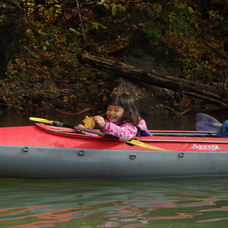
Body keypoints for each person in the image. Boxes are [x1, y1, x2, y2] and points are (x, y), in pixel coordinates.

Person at [77, 93, 152, 139]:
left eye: (116, 110)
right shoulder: (112, 125)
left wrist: (105, 125)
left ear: (127, 112)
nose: (111, 113)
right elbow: (103, 136)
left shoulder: (132, 126)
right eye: (109, 109)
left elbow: (123, 134)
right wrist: (86, 132)